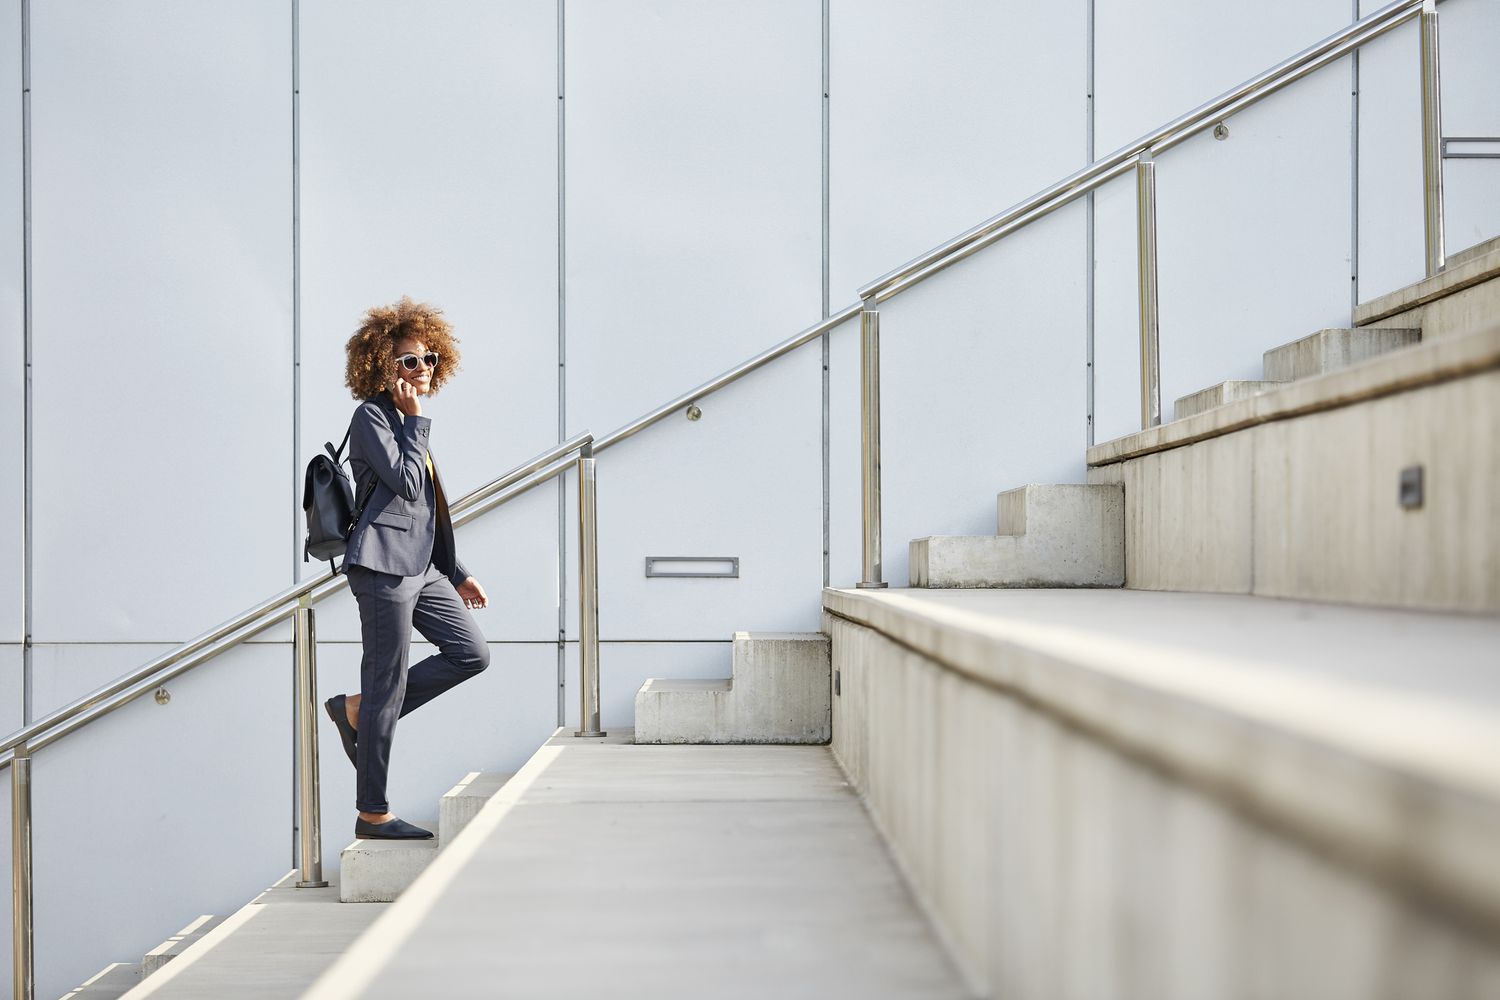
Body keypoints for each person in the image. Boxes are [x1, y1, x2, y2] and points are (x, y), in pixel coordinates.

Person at [322, 295, 491, 840]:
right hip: (381, 567)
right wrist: (415, 423)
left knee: (472, 654)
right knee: (387, 681)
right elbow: (407, 484)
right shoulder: (372, 416)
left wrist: (457, 570)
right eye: (409, 361)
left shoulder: (410, 421)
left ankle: (355, 709)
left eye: (429, 360)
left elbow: (428, 509)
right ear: (382, 364)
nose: (423, 369)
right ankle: (372, 813)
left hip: (423, 568)